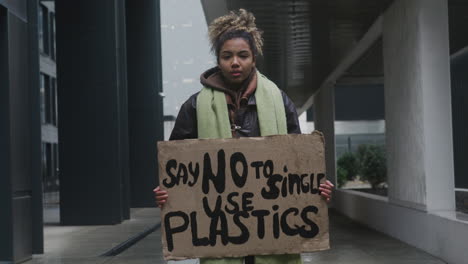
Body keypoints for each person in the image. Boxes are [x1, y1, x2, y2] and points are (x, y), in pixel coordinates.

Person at [154, 9, 334, 264]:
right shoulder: (194, 107)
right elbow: (176, 169)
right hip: (220, 231)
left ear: (254, 59)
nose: (235, 62)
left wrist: (317, 187)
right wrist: (166, 191)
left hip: (272, 228)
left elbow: (301, 165)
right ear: (218, 59)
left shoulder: (279, 101)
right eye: (227, 56)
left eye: (242, 55)